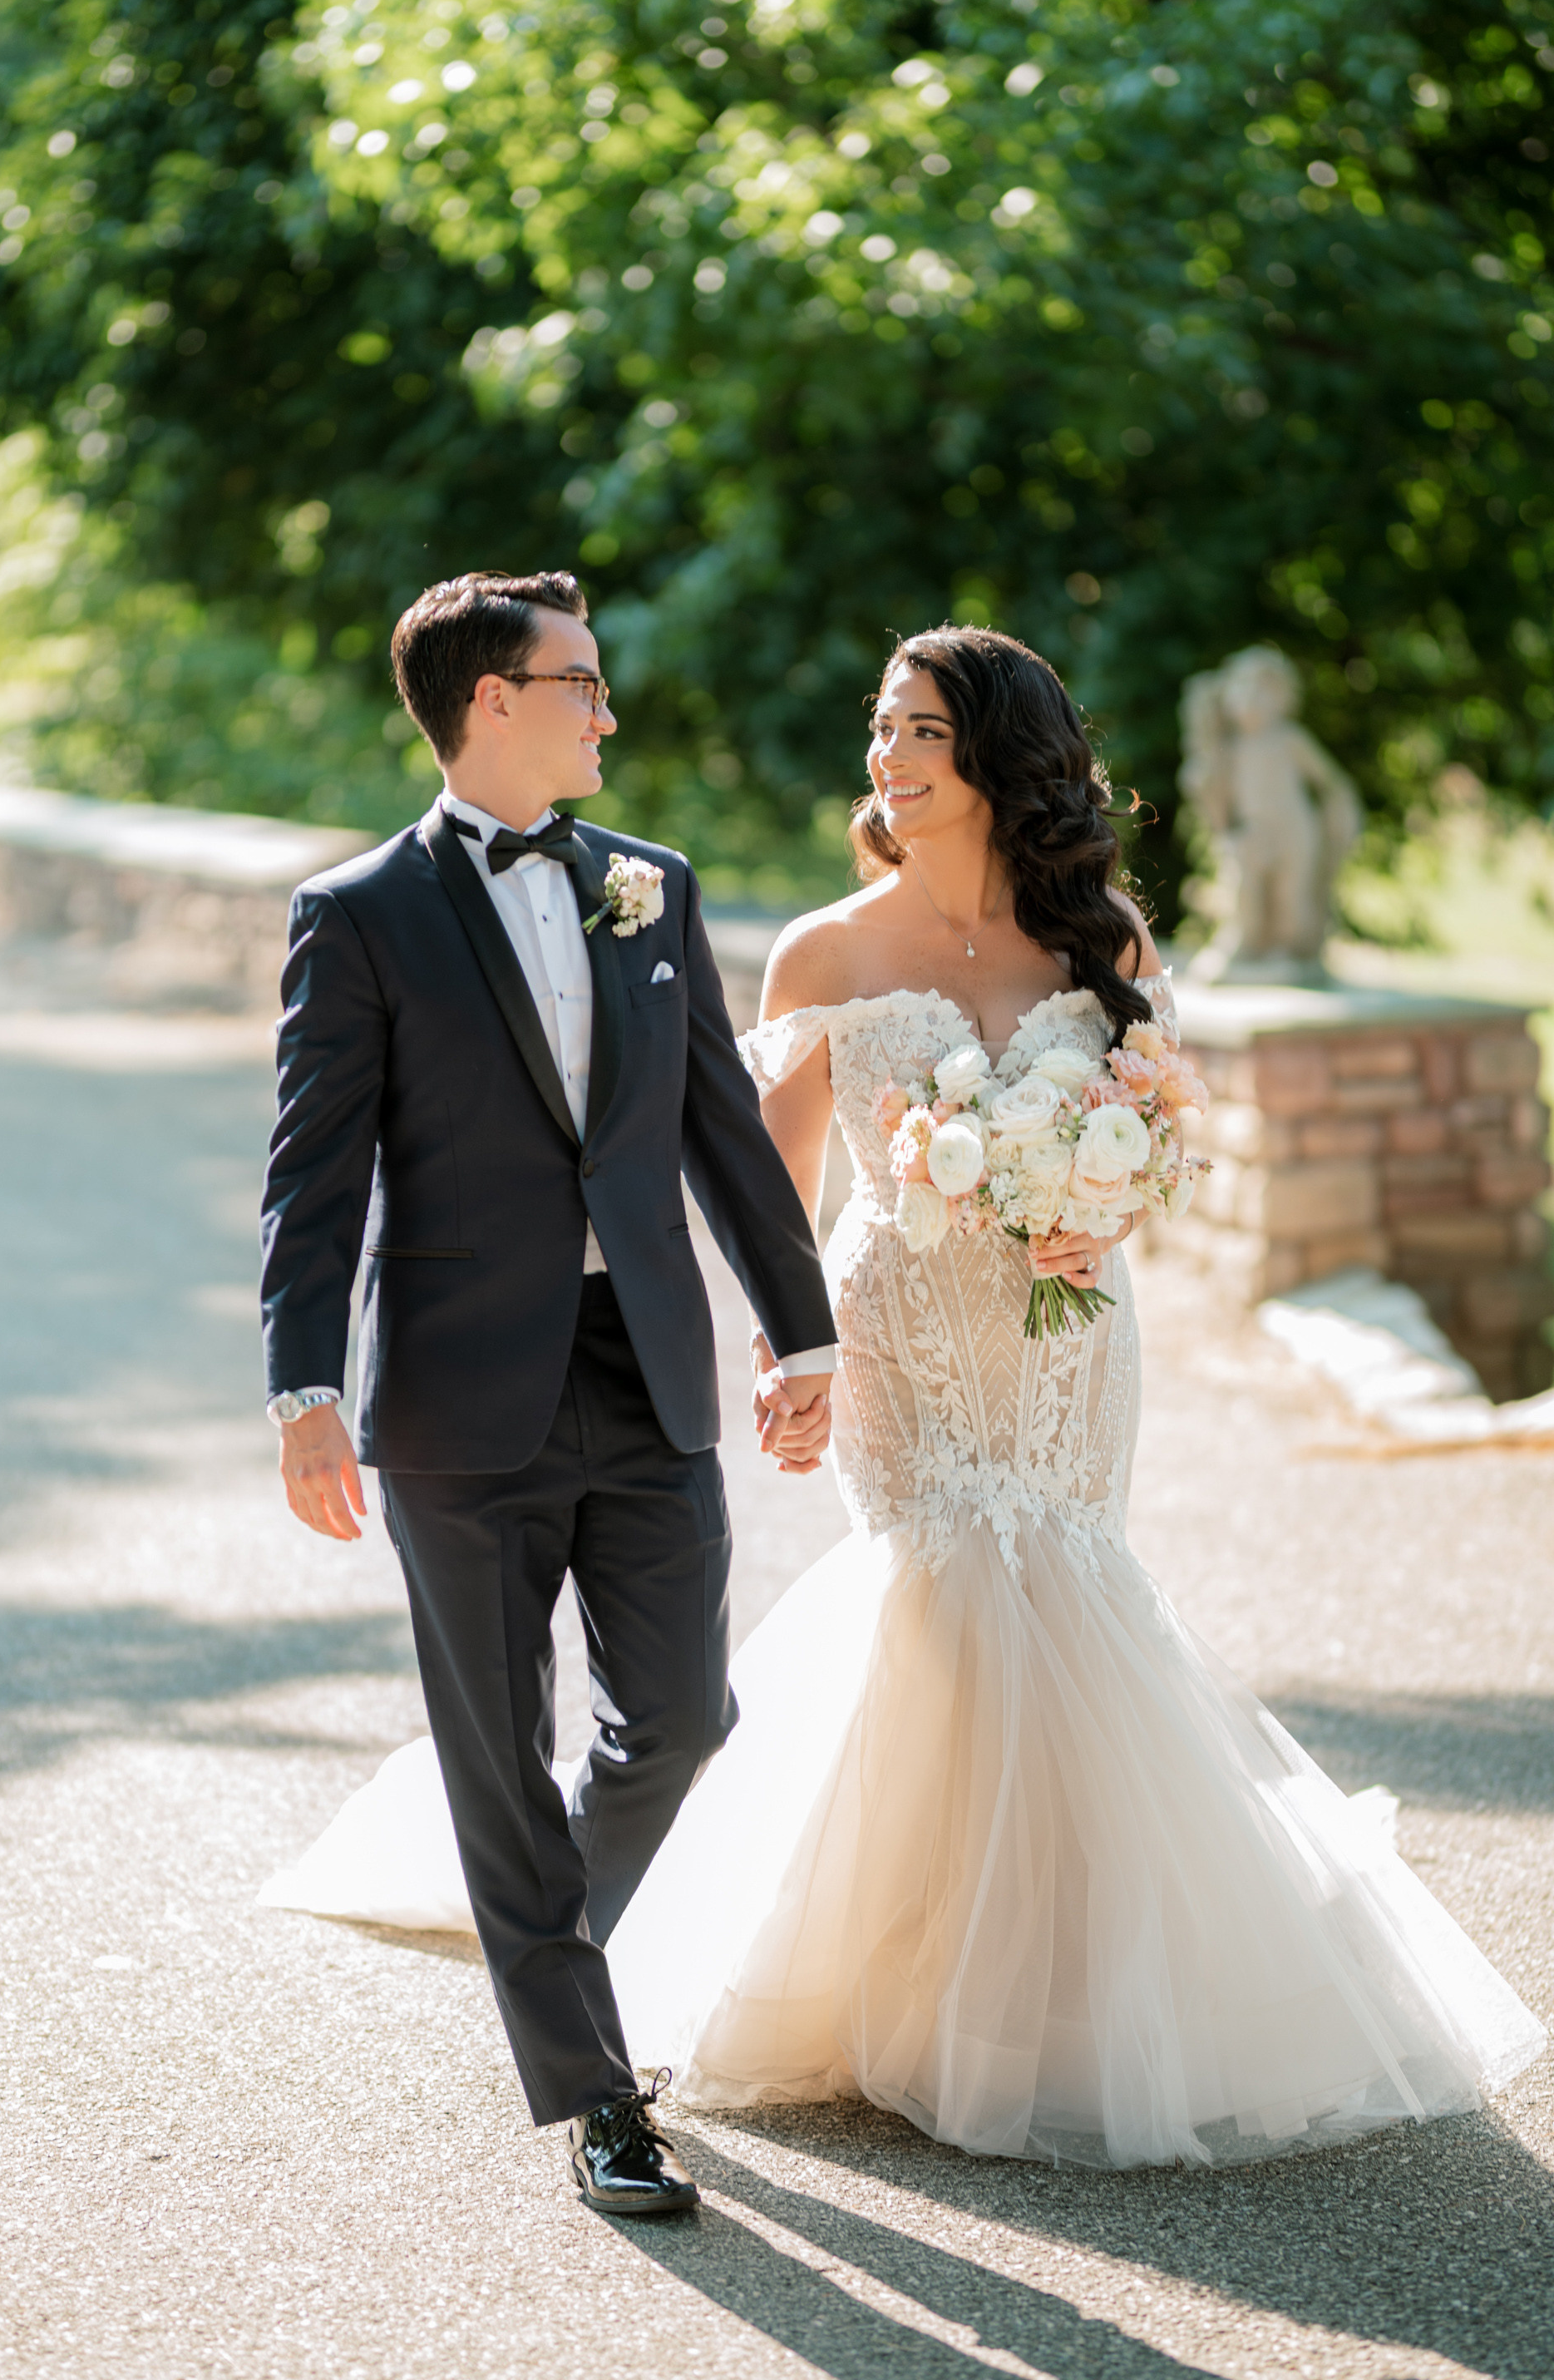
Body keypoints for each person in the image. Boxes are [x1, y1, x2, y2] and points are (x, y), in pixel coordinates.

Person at [265, 622, 1546, 2170]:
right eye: (881, 729)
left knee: (1031, 1615)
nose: (886, 757)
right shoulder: (812, 949)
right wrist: (791, 1345)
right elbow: (760, 1169)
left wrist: (1113, 1207)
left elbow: (1158, 1131)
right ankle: (755, 2005)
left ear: (993, 751)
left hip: (1071, 1337)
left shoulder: (1094, 937)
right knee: (937, 1609)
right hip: (900, 1336)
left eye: (918, 731)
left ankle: (1061, 1983)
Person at [259, 570, 837, 2215]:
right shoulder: (357, 915)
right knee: (497, 1756)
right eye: (578, 682)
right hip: (454, 1392)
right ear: (489, 702)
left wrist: (804, 1338)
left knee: (679, 1720)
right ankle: (598, 2100)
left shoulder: (652, 889)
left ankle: (541, 1957)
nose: (605, 708)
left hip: (644, 1364)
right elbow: (313, 1180)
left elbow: (720, 1129)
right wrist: (304, 1384)